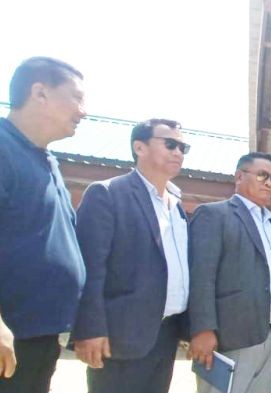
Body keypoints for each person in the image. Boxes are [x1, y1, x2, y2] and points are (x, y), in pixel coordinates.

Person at [72, 119, 190, 393]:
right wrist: (89, 329)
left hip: (166, 335)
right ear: (140, 147)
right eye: (170, 144)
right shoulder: (108, 194)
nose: (178, 152)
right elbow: (90, 269)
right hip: (121, 336)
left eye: (183, 147)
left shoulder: (177, 206)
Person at [0, 57, 87, 393]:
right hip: (10, 335)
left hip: (38, 336)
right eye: (77, 98)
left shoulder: (46, 159)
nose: (83, 111)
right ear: (39, 93)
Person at [189, 152, 271, 393]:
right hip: (230, 337)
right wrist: (202, 329)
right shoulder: (214, 215)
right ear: (239, 176)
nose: (270, 183)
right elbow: (200, 277)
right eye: (263, 176)